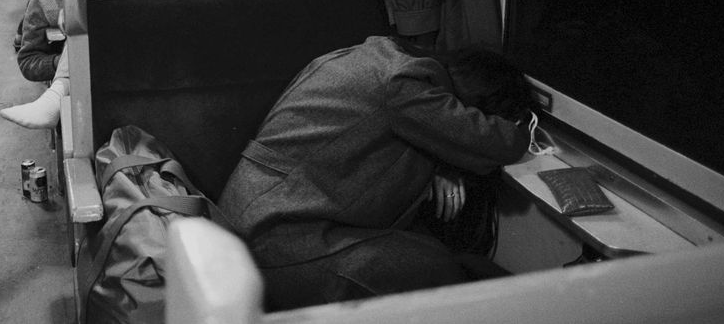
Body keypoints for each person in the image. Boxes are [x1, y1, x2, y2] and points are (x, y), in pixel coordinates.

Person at [217, 35, 534, 311]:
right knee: (435, 269)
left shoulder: (372, 55)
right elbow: (497, 142)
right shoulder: (405, 84)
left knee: (432, 257)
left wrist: (440, 162)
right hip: (275, 239)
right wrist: (523, 124)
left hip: (252, 218)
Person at [1, 0, 134, 128]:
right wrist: (64, 61)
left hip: (125, 65)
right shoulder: (43, 1)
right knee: (78, 32)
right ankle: (58, 92)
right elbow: (28, 61)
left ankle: (54, 98)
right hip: (82, 86)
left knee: (86, 17)